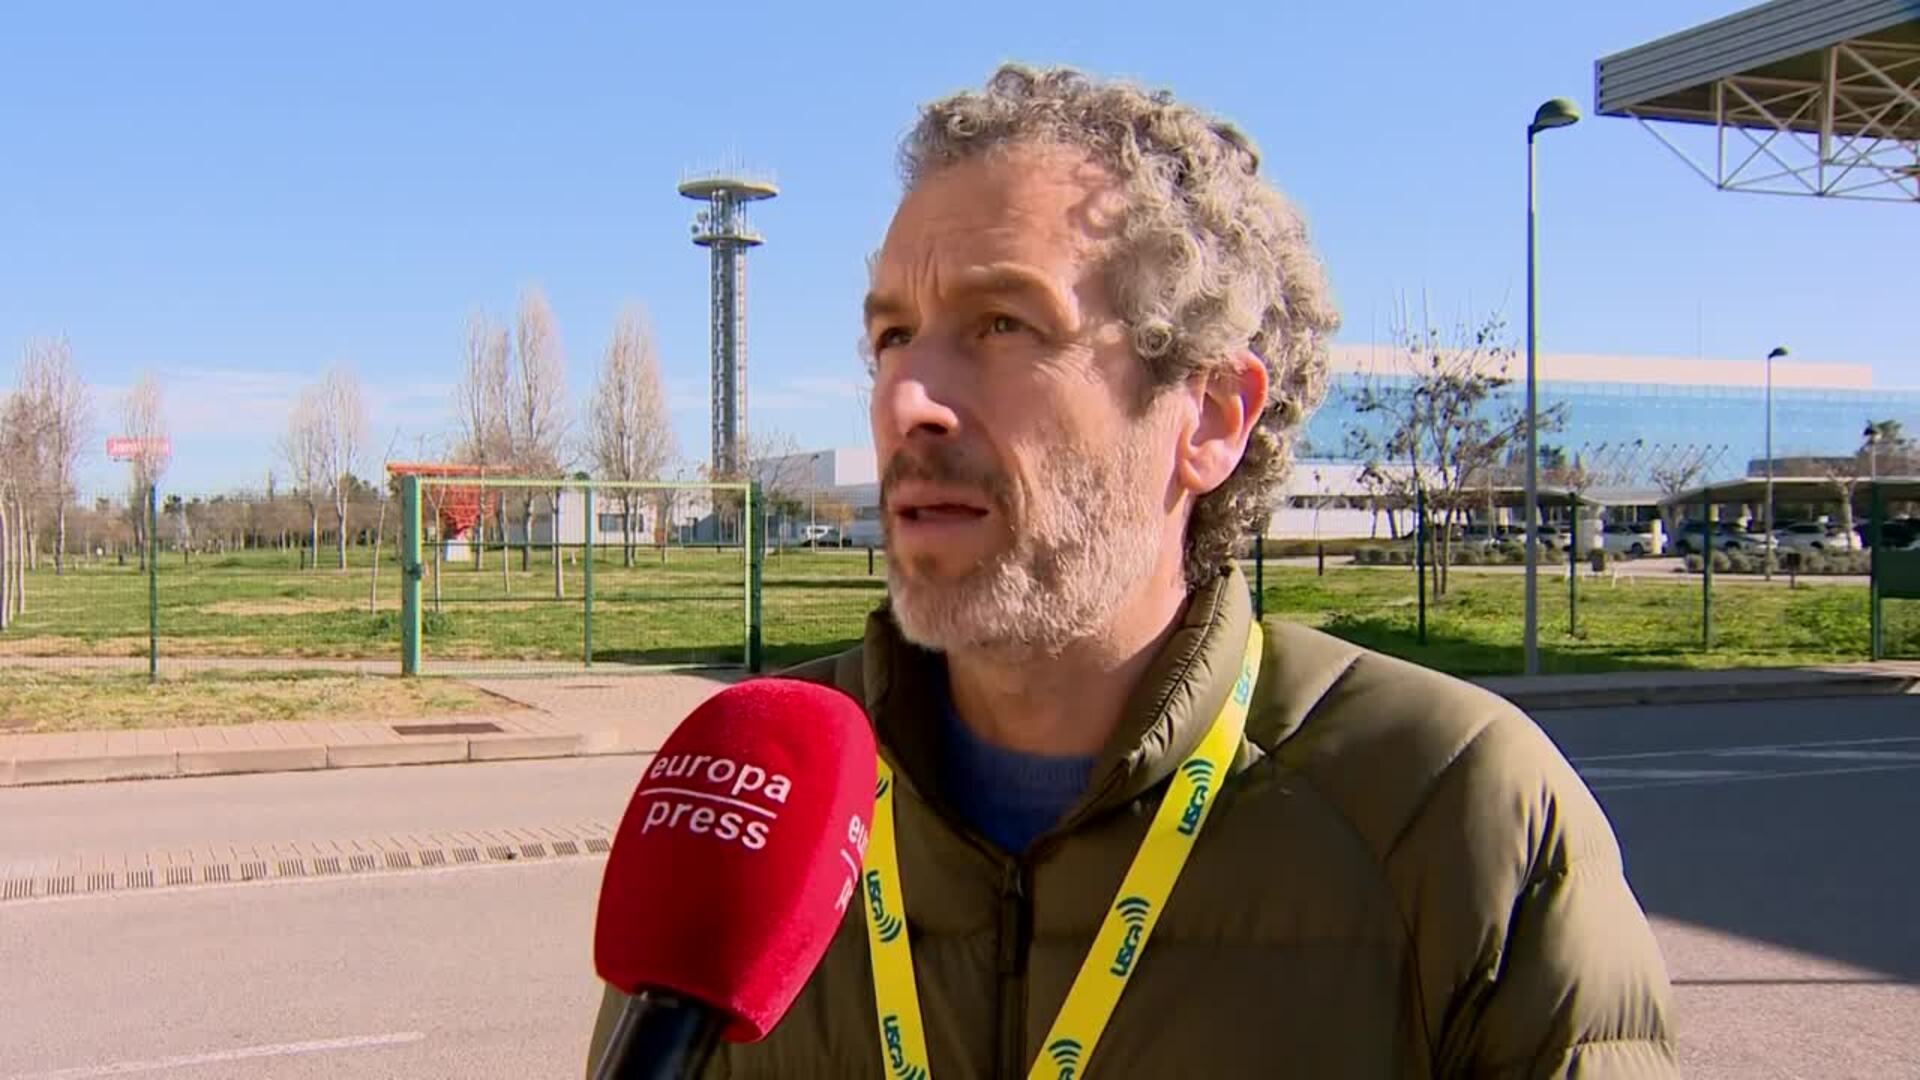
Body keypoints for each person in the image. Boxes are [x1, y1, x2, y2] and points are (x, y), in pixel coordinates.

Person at [589, 63, 1677, 1078]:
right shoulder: (756, 798)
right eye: (892, 336)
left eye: (1003, 324)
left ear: (1209, 416)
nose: (907, 398)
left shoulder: (1454, 817)